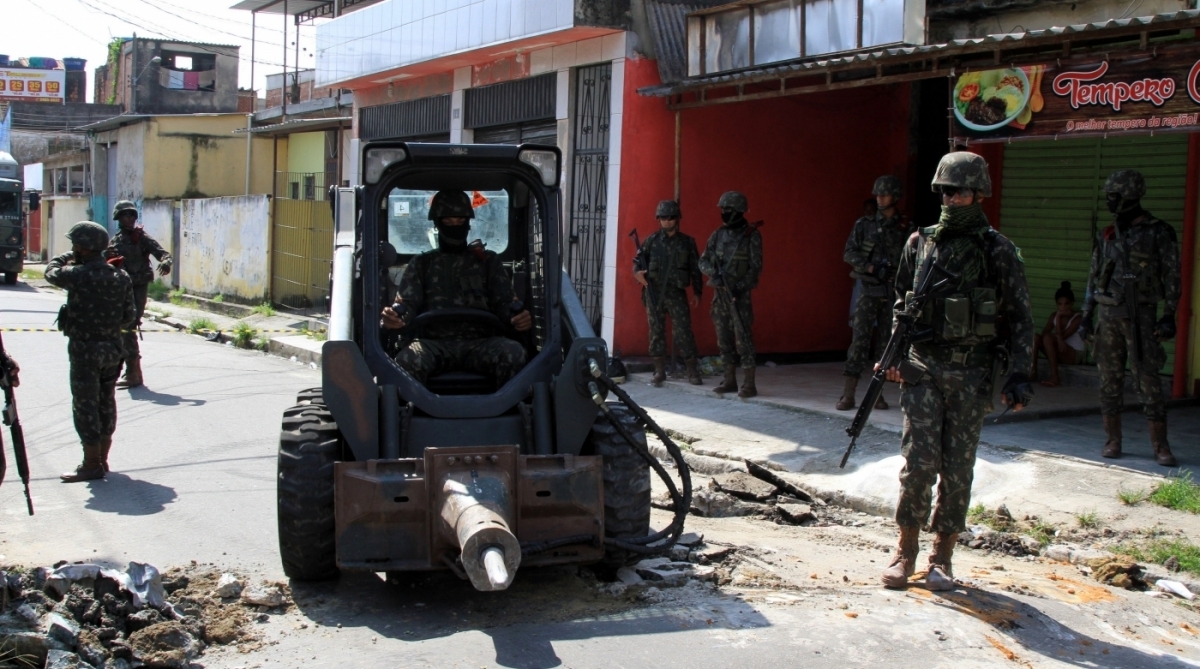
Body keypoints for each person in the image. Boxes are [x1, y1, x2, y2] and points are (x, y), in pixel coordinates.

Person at [880, 152, 1034, 591]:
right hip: (923, 369)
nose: (952, 199)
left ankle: (942, 557)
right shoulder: (920, 243)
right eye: (946, 191)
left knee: (958, 468)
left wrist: (1019, 374)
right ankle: (905, 551)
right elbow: (901, 304)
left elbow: (1020, 317)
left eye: (961, 191)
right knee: (918, 463)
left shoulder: (998, 250)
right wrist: (894, 356)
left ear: (979, 193)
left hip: (971, 374)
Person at [1081, 169, 1180, 466]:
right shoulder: (1107, 234)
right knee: (1108, 382)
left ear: (1130, 196)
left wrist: (1169, 315)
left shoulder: (1158, 232)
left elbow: (1172, 275)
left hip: (1141, 317)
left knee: (1148, 380)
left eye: (1114, 196)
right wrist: (1086, 316)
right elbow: (1094, 276)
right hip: (1108, 315)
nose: (1109, 201)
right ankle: (1112, 440)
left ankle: (1160, 446)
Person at [381, 190, 531, 386]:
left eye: (460, 221)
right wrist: (394, 318)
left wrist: (518, 318)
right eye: (448, 221)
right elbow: (406, 305)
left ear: (468, 223)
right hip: (432, 344)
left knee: (514, 353)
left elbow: (505, 303)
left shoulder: (488, 262)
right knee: (407, 360)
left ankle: (509, 405)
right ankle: (411, 407)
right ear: (437, 223)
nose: (455, 226)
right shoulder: (422, 264)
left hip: (481, 342)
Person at [45, 222, 135, 482]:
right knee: (106, 401)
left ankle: (91, 463)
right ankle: (102, 458)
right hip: (112, 349)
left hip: (85, 351)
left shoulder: (77, 274)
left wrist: (65, 257)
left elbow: (50, 272)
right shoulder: (121, 276)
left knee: (85, 405)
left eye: (76, 245)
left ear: (82, 248)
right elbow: (128, 317)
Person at [837, 175, 914, 411]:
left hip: (893, 293)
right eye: (878, 194)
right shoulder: (864, 225)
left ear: (895, 197)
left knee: (886, 345)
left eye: (885, 194)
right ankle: (848, 394)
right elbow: (849, 253)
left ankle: (877, 395)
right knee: (859, 341)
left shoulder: (905, 227)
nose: (880, 198)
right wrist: (871, 267)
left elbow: (914, 260)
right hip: (869, 289)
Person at [698, 191, 763, 398]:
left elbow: (755, 268)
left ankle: (749, 384)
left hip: (739, 296)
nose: (724, 212)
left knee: (743, 339)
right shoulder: (717, 235)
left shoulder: (751, 235)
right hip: (720, 295)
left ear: (738, 211)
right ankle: (729, 380)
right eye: (723, 209)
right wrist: (713, 273)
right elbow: (703, 260)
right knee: (723, 338)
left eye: (727, 209)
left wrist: (739, 287)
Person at [634, 200, 704, 386]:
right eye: (663, 218)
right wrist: (637, 274)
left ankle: (692, 370)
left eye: (671, 217)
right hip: (654, 293)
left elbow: (695, 269)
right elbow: (638, 263)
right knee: (656, 332)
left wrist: (697, 292)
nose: (667, 221)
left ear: (677, 219)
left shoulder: (687, 243)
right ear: (658, 219)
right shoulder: (651, 241)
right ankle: (659, 370)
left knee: (683, 331)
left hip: (676, 293)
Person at [106, 200, 172, 389]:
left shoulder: (141, 237)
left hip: (138, 287)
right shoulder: (115, 240)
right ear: (118, 218)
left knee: (129, 326)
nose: (129, 218)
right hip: (121, 288)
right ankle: (129, 370)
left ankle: (133, 373)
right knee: (121, 328)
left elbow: (163, 254)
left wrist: (166, 262)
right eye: (125, 215)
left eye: (132, 215)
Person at [1032, 281, 1084, 387]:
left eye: (1066, 304)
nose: (1063, 307)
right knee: (1035, 338)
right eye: (1060, 304)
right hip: (1059, 351)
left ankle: (1055, 377)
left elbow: (1062, 336)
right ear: (1056, 304)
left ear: (1072, 303)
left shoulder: (1077, 318)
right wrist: (1057, 317)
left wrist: (1059, 317)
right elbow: (1045, 333)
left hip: (1073, 354)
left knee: (1048, 338)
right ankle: (1032, 372)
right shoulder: (1053, 316)